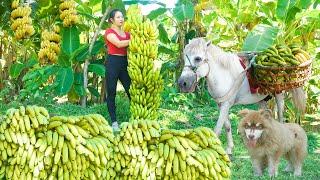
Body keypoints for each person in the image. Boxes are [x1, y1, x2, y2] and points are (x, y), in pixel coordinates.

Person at [104, 9, 131, 131]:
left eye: (122, 17)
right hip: (112, 62)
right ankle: (114, 122)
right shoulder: (109, 32)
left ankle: (136, 116)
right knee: (111, 92)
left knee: (131, 91)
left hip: (124, 63)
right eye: (118, 17)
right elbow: (119, 44)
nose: (121, 19)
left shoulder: (127, 34)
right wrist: (135, 40)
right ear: (111, 20)